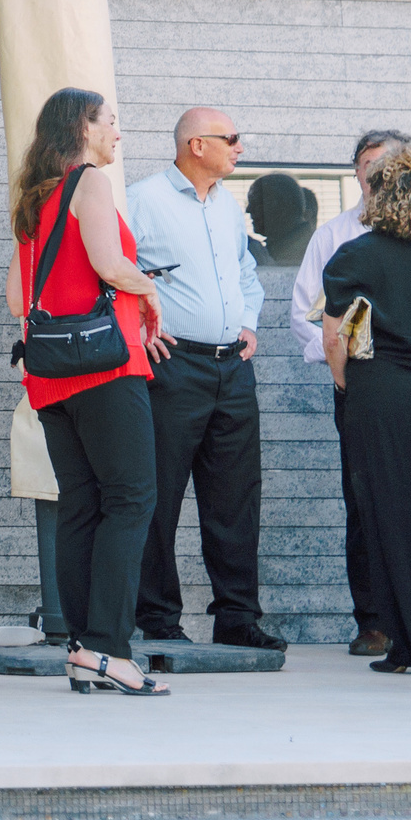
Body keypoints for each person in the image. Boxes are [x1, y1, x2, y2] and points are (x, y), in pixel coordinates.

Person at [9, 87, 168, 696]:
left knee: (80, 505)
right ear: (83, 126)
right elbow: (109, 263)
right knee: (130, 500)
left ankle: (81, 649)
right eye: (111, 122)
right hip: (105, 368)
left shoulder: (35, 198)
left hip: (50, 377)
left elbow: (17, 300)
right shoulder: (88, 184)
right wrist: (148, 291)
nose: (117, 135)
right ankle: (111, 650)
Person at [125, 106, 281, 650]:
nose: (240, 147)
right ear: (196, 144)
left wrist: (247, 323)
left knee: (236, 499)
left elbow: (243, 271)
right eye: (231, 138)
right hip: (172, 366)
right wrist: (136, 333)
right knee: (160, 496)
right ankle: (160, 621)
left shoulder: (227, 206)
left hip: (232, 367)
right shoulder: (141, 200)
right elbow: (112, 274)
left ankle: (238, 619)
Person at [292, 130, 410, 657]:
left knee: (382, 509)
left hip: (375, 389)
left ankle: (399, 635)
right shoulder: (339, 241)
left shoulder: (354, 253)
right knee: (380, 510)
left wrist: (346, 379)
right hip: (377, 388)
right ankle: (383, 627)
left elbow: (333, 333)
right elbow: (317, 325)